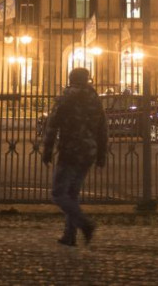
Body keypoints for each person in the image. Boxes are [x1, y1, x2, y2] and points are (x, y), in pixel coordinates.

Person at [41, 66, 108, 246]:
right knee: (72, 194)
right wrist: (101, 155)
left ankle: (85, 224)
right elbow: (103, 129)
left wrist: (47, 151)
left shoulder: (66, 98)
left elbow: (51, 126)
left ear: (71, 79)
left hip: (70, 150)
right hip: (89, 152)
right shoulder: (95, 99)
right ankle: (69, 236)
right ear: (87, 79)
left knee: (58, 193)